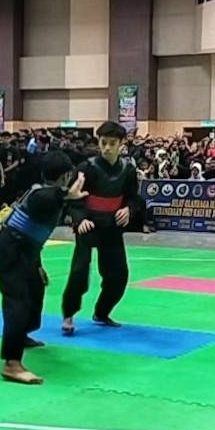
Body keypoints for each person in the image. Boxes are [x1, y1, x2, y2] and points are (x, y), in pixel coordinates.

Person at [0, 151, 87, 385]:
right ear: (66, 176)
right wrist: (68, 194)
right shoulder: (41, 194)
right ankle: (12, 363)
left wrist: (37, 265)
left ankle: (22, 334)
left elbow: (33, 236)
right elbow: (49, 198)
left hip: (26, 252)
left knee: (36, 289)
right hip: (9, 252)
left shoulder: (49, 195)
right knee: (18, 302)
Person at [61, 121, 142, 336]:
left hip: (112, 226)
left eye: (112, 143)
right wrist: (79, 219)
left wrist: (128, 209)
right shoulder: (86, 168)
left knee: (119, 275)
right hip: (88, 225)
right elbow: (73, 198)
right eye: (103, 142)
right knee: (79, 271)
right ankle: (68, 314)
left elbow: (134, 198)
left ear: (121, 144)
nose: (106, 148)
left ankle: (102, 312)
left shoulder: (128, 169)